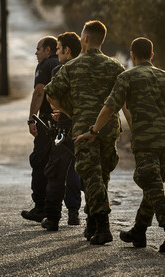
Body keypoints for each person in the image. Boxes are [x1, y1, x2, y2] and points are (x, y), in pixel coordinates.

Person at [75, 37, 165, 252]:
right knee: (153, 184)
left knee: (152, 185)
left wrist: (93, 131)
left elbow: (109, 107)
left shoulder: (127, 77)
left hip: (146, 141)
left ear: (132, 55)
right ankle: (139, 230)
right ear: (151, 55)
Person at [45, 20, 126, 245]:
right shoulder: (115, 67)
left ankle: (103, 226)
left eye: (81, 36)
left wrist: (71, 112)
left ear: (86, 39)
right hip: (110, 128)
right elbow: (123, 99)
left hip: (84, 129)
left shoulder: (72, 67)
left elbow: (51, 94)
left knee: (91, 177)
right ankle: (92, 223)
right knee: (101, 178)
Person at [40, 32, 83, 231]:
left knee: (56, 172)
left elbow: (51, 97)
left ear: (67, 50)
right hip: (89, 127)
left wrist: (66, 113)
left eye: (58, 48)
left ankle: (53, 218)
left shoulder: (59, 70)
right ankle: (80, 215)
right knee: (85, 171)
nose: (57, 53)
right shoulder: (88, 68)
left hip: (66, 127)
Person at [21, 36, 61, 222]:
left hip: (46, 122)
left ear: (48, 50)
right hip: (64, 122)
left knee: (39, 161)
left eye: (38, 49)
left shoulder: (45, 66)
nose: (36, 53)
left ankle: (40, 207)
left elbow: (39, 92)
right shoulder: (64, 64)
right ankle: (71, 212)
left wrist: (31, 119)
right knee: (61, 164)